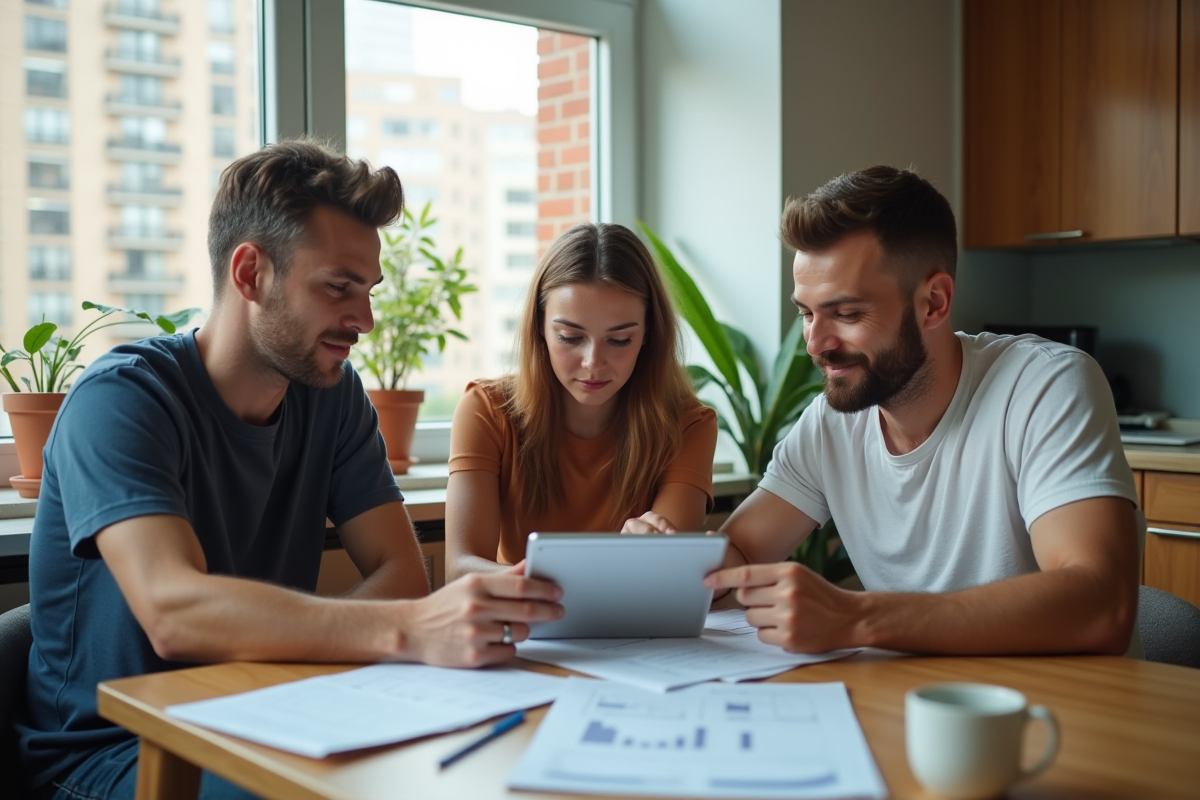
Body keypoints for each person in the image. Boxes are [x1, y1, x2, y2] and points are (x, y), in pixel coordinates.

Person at [19, 139, 563, 800]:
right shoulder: (121, 402)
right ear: (250, 274)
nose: (363, 319)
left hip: (274, 716)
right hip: (116, 755)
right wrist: (408, 632)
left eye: (367, 291)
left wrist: (370, 638)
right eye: (339, 288)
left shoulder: (331, 397)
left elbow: (401, 576)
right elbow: (174, 612)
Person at [704, 165, 1140, 656]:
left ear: (933, 302)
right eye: (807, 313)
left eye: (846, 314)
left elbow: (1101, 602)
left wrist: (858, 616)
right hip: (913, 703)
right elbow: (736, 557)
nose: (815, 343)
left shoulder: (1044, 385)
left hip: (1058, 715)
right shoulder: (831, 423)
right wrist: (664, 557)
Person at [446, 223, 718, 578]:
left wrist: (545, 579)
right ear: (539, 328)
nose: (593, 363)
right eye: (570, 337)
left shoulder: (689, 424)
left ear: (648, 333)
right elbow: (459, 569)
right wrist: (599, 570)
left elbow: (660, 571)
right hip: (525, 626)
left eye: (619, 340)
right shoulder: (486, 410)